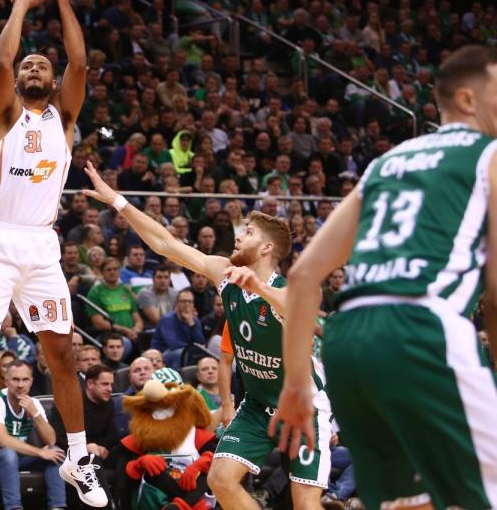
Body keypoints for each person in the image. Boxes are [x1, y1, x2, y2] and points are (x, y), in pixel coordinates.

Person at [274, 45, 497, 510]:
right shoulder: (490, 154)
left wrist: (296, 384)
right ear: (468, 99)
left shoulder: (387, 163)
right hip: (423, 330)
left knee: (408, 502)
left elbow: (302, 275)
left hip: (348, 342)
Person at [0, 0, 107, 510]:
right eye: (30, 66)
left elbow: (81, 64)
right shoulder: (4, 117)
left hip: (41, 245)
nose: (36, 67)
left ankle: (79, 459)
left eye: (44, 65)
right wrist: (20, 2)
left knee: (62, 354)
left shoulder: (63, 119)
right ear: (18, 82)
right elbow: (0, 61)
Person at [81, 162, 332, 509]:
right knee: (220, 479)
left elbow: (299, 308)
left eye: (248, 232)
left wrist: (259, 287)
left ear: (266, 249)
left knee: (306, 504)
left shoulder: (282, 290)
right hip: (259, 404)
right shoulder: (224, 274)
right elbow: (166, 244)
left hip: (303, 406)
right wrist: (118, 202)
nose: (239, 235)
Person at [0, 360, 67, 510]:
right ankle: (14, 507)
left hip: (17, 458)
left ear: (31, 381)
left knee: (55, 452)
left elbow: (51, 440)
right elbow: (3, 441)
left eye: (25, 379)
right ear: (6, 381)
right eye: (15, 379)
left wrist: (35, 414)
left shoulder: (33, 403)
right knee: (9, 454)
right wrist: (39, 452)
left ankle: (57, 506)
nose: (20, 385)